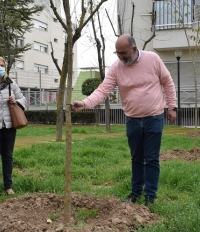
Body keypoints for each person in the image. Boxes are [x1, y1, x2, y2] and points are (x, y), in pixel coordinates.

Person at [72, 34, 177, 206]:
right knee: (136, 158)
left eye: (124, 53)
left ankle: (150, 196)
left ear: (134, 49)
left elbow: (168, 82)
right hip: (132, 120)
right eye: (118, 53)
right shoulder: (116, 68)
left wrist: (172, 107)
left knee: (151, 158)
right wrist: (84, 104)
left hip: (154, 117)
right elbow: (102, 90)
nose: (121, 57)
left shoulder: (153, 59)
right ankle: (136, 193)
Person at [0, 56, 26, 198]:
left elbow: (23, 98)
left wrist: (16, 101)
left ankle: (8, 186)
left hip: (9, 126)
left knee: (8, 156)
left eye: (2, 65)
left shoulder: (11, 84)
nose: (0, 68)